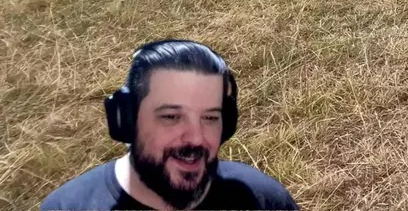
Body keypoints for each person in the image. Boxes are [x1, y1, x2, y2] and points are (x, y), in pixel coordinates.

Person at [41, 39, 297, 210]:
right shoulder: (68, 206)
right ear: (126, 121)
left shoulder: (263, 199)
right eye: (171, 117)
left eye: (210, 118)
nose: (196, 138)